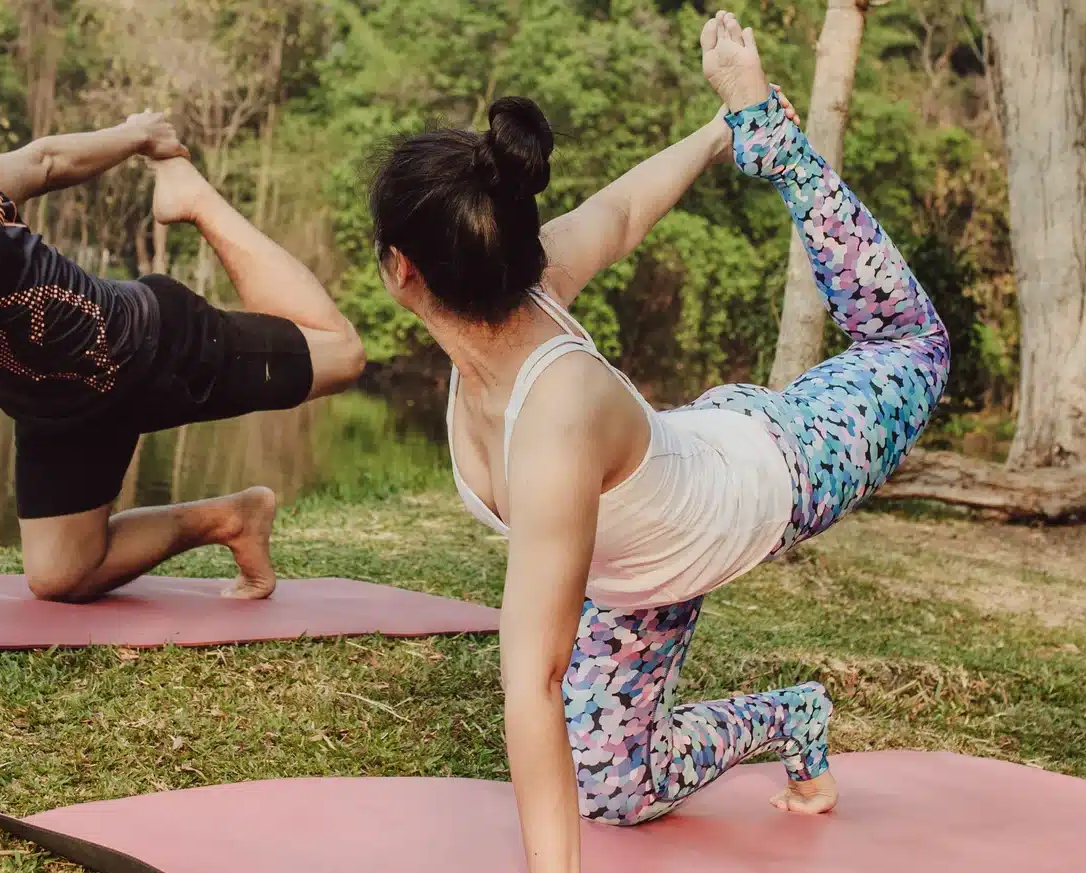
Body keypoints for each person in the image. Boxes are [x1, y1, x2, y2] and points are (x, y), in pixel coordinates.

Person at [365, 11, 949, 871]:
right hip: (645, 561)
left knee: (912, 346)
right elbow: (628, 206)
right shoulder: (516, 280)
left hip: (779, 466)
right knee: (612, 787)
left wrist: (742, 125)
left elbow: (532, 680)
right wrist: (714, 130)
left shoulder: (553, 404)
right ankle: (794, 714)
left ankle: (777, 141)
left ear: (398, 268)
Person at [0, 35, 365, 643]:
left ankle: (197, 200)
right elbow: (45, 162)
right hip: (60, 413)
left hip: (155, 350)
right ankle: (234, 518)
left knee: (343, 356)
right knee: (60, 576)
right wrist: (134, 136)